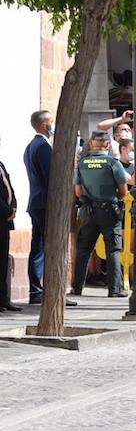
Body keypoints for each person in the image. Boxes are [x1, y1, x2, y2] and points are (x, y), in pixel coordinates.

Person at [70, 129, 130, 298]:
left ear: (91, 144)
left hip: (88, 211)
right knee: (113, 250)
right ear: (107, 144)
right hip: (109, 211)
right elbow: (124, 190)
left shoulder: (82, 163)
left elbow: (78, 190)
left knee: (84, 250)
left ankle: (77, 288)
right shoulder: (112, 163)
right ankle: (114, 289)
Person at [22, 110, 56, 306]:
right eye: (51, 121)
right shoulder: (42, 147)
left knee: (39, 246)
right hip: (44, 203)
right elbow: (51, 177)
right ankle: (39, 291)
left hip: (36, 201)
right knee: (43, 247)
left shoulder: (30, 146)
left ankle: (37, 290)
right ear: (44, 125)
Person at [0, 147, 19, 311]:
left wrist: (13, 208)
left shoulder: (1, 164)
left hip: (5, 220)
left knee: (3, 260)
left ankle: (3, 298)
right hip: (2, 216)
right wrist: (7, 211)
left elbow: (9, 189)